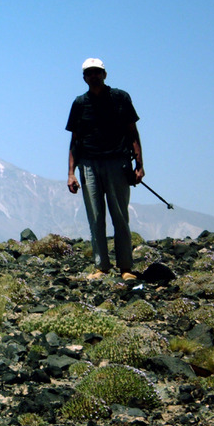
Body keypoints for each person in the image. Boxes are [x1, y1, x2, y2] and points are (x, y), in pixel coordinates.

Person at [66, 58, 144, 281]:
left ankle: (126, 267)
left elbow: (133, 133)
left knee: (120, 216)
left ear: (105, 74)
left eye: (97, 72)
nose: (93, 76)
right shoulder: (80, 104)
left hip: (117, 162)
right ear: (84, 78)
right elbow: (75, 140)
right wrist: (71, 173)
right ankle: (102, 266)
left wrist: (139, 165)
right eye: (89, 73)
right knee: (95, 217)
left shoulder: (120, 98)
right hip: (89, 164)